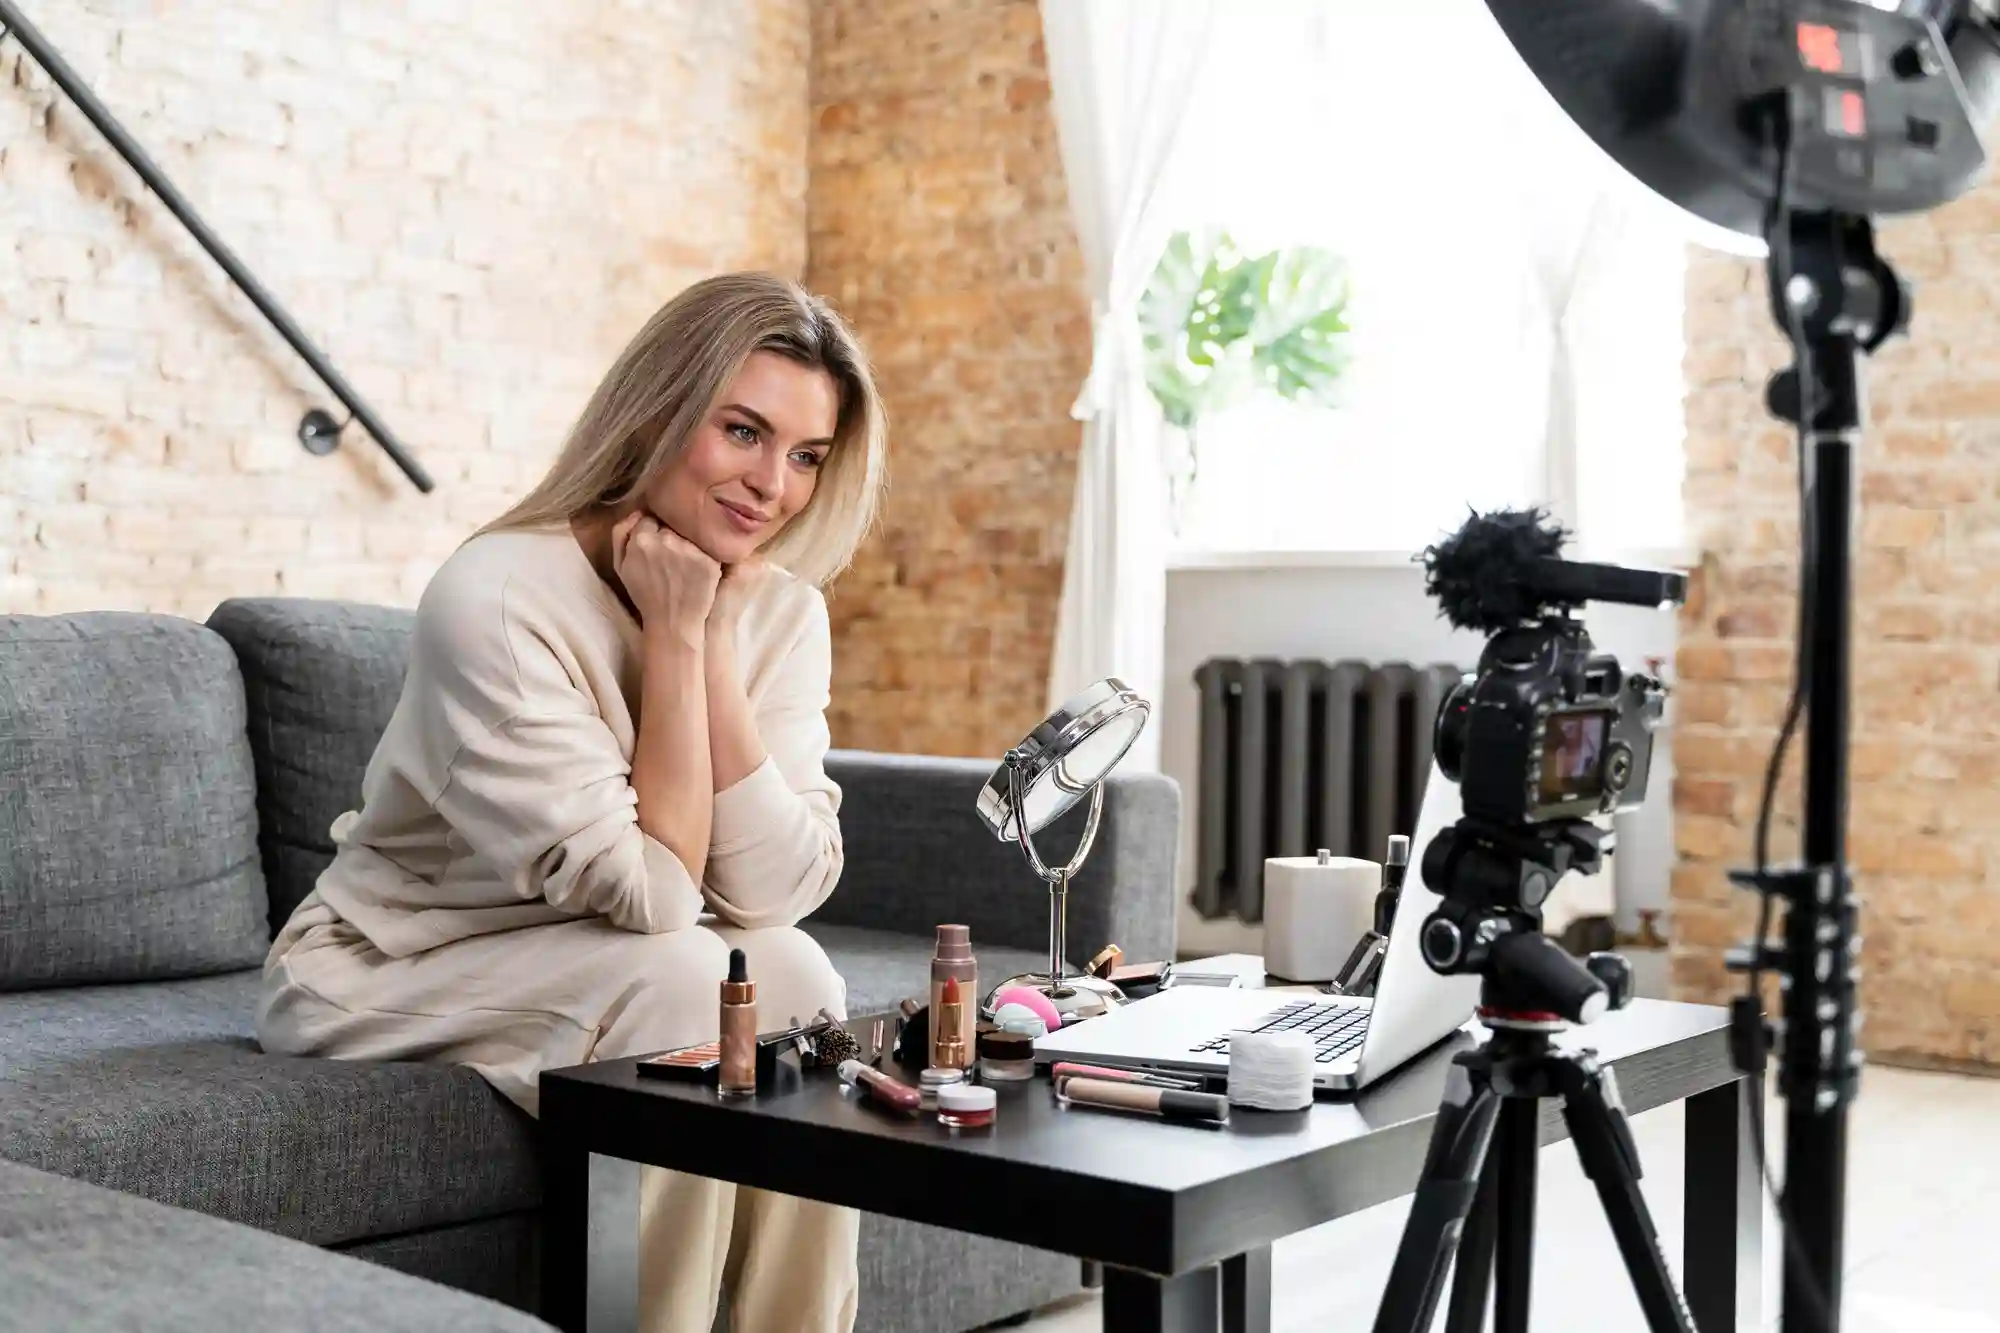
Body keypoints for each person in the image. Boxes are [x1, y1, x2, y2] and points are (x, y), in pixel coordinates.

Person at [255, 272, 888, 1333]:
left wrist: (717, 644)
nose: (772, 485)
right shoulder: (500, 596)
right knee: (693, 985)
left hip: (613, 954)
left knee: (797, 976)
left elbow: (777, 890)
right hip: (395, 965)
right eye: (742, 431)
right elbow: (655, 896)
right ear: (659, 409)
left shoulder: (777, 607)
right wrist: (678, 637)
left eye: (806, 456)